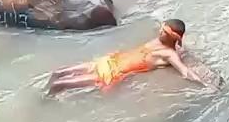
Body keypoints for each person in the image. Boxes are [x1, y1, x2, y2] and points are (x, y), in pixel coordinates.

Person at [46, 20, 203, 94]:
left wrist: (203, 83)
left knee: (60, 85)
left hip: (110, 74)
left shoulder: (169, 54)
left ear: (173, 38)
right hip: (108, 61)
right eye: (162, 29)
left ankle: (45, 104)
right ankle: (45, 95)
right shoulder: (157, 40)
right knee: (57, 73)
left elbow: (185, 71)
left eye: (165, 32)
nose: (160, 33)